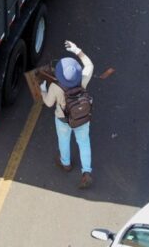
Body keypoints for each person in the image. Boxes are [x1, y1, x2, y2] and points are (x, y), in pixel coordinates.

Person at [40, 40, 95, 189]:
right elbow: (89, 65)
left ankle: (66, 163)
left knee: (64, 140)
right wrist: (77, 50)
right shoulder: (83, 79)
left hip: (63, 120)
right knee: (84, 143)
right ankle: (87, 172)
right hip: (82, 118)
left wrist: (42, 89)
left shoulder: (56, 87)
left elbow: (48, 103)